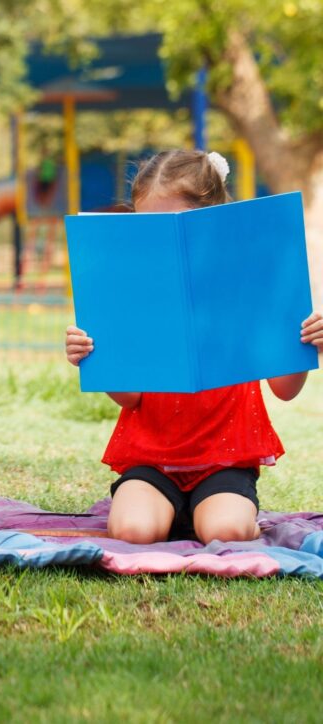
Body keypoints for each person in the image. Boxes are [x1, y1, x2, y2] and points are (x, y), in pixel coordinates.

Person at [65, 149, 320, 545]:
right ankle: (175, 514)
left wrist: (305, 343)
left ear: (212, 218)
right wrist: (98, 358)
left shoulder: (251, 284)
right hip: (152, 458)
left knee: (227, 532)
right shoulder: (132, 291)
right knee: (132, 531)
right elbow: (129, 399)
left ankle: (215, 514)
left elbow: (285, 390)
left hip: (226, 457)